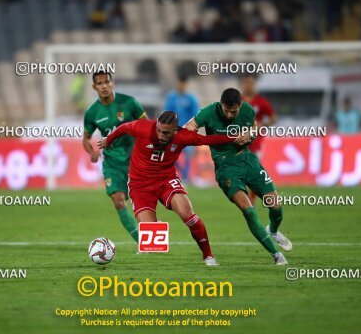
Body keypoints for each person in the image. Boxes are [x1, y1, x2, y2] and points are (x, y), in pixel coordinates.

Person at [98, 111, 243, 266]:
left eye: (166, 133)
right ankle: (155, 225)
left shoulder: (183, 136)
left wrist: (234, 138)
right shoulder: (143, 127)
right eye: (158, 130)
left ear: (175, 130)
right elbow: (125, 127)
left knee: (188, 215)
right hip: (140, 185)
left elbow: (207, 139)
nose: (160, 135)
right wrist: (108, 139)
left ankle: (208, 256)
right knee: (152, 241)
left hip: (166, 180)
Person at [185, 88, 291, 265]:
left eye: (233, 111)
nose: (228, 114)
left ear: (240, 106)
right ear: (221, 105)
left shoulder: (248, 110)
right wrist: (193, 134)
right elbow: (190, 126)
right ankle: (276, 255)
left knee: (276, 206)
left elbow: (255, 127)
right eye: (226, 110)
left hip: (248, 161)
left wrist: (250, 134)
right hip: (226, 168)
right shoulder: (209, 112)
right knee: (249, 210)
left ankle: (273, 230)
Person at [82, 71, 147, 243]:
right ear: (94, 87)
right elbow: (86, 139)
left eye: (106, 82)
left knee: (143, 202)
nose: (104, 86)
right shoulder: (92, 113)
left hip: (135, 160)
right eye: (99, 83)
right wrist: (91, 152)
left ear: (112, 83)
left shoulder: (128, 103)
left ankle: (151, 237)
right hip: (112, 162)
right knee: (118, 201)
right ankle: (141, 242)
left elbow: (147, 125)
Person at [240, 73, 277, 203]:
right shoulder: (237, 101)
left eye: (251, 83)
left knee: (254, 169)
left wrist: (263, 124)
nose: (249, 85)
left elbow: (273, 119)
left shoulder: (261, 101)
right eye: (246, 82)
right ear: (242, 84)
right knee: (241, 169)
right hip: (239, 140)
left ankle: (251, 197)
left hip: (256, 140)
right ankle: (244, 195)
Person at [163, 76, 200, 183]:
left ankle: (185, 178)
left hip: (187, 132)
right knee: (170, 153)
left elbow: (196, 115)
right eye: (179, 83)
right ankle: (178, 172)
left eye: (183, 84)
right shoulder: (172, 97)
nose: (181, 86)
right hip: (173, 132)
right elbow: (166, 113)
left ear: (185, 85)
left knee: (188, 155)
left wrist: (193, 129)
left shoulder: (191, 98)